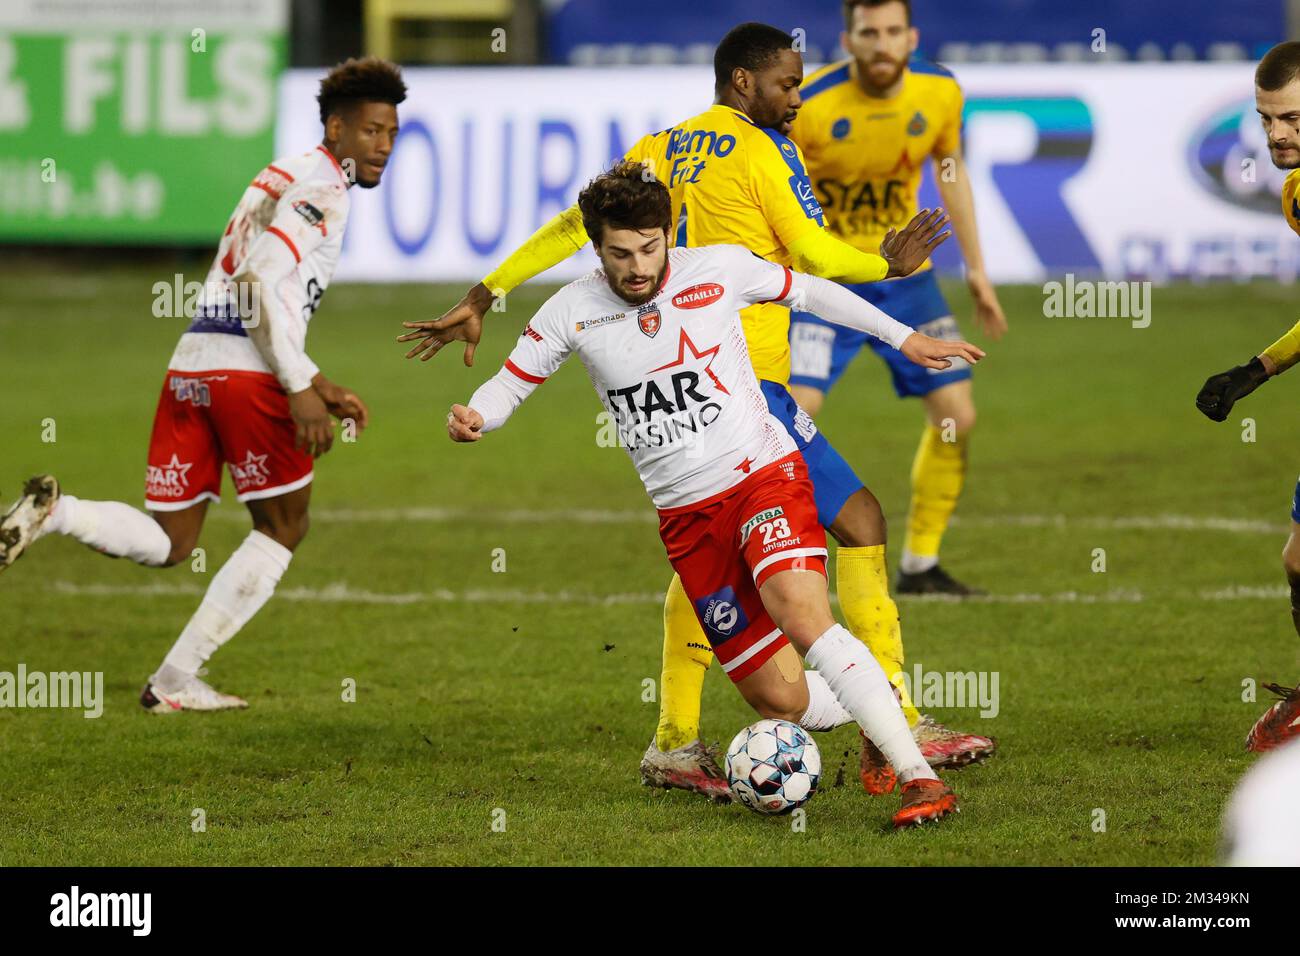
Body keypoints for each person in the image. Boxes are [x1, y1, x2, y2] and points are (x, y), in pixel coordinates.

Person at [400, 21, 995, 800]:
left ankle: (684, 738)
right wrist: (888, 262)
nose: (798, 96)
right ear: (744, 83)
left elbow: (568, 227)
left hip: (719, 405)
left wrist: (488, 289)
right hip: (751, 388)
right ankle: (890, 723)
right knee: (852, 522)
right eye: (788, 83)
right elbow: (813, 258)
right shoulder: (759, 148)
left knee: (771, 531)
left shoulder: (658, 147)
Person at [0, 57, 405, 712]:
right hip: (249, 370)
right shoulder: (324, 189)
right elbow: (256, 285)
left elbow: (252, 280)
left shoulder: (284, 173)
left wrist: (318, 379)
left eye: (391, 132)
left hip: (194, 360)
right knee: (283, 527)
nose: (383, 145)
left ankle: (57, 514)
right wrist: (299, 385)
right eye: (371, 130)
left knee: (171, 542)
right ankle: (174, 682)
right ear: (336, 128)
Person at [788, 0, 1007, 597]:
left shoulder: (939, 92)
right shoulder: (808, 102)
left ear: (911, 37)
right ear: (848, 40)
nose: (882, 45)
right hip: (825, 284)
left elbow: (950, 167)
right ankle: (785, 561)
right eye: (869, 34)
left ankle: (920, 565)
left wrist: (978, 270)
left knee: (957, 417)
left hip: (907, 281)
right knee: (788, 420)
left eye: (892, 33)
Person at [1195, 40, 1300, 751]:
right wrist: (1256, 369)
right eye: (1267, 120)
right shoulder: (1296, 194)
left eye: (1292, 117)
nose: (1277, 135)